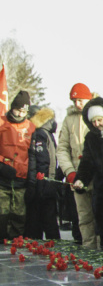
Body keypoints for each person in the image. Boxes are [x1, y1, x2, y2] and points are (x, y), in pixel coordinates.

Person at [73, 98, 103, 250]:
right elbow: (87, 161)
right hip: (101, 189)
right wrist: (81, 179)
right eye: (93, 122)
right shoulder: (90, 137)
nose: (97, 124)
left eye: (99, 120)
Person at [57, 83, 95, 248]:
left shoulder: (97, 113)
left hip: (96, 174)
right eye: (75, 100)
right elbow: (62, 148)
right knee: (83, 216)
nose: (78, 104)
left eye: (81, 100)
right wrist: (70, 171)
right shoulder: (69, 119)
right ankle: (88, 248)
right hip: (77, 176)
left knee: (101, 214)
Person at [0, 91, 34, 240]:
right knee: (2, 213)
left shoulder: (31, 127)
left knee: (19, 214)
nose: (21, 114)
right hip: (2, 178)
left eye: (24, 111)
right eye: (18, 110)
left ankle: (16, 242)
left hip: (21, 180)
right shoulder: (1, 123)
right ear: (12, 107)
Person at [24, 105, 60, 240]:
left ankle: (42, 246)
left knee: (39, 218)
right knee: (50, 219)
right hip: (49, 180)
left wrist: (38, 183)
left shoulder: (39, 133)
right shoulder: (48, 132)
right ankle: (56, 246)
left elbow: (42, 160)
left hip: (43, 181)